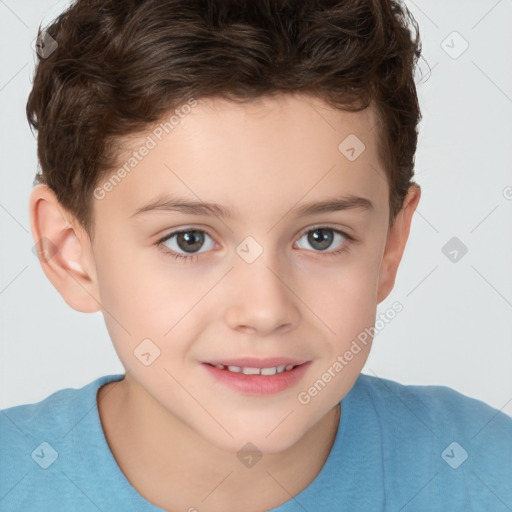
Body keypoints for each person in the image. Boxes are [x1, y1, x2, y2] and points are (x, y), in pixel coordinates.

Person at [1, 0, 510, 511]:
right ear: (70, 252)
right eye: (189, 240)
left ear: (390, 247)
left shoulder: (485, 471)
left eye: (321, 237)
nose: (265, 311)